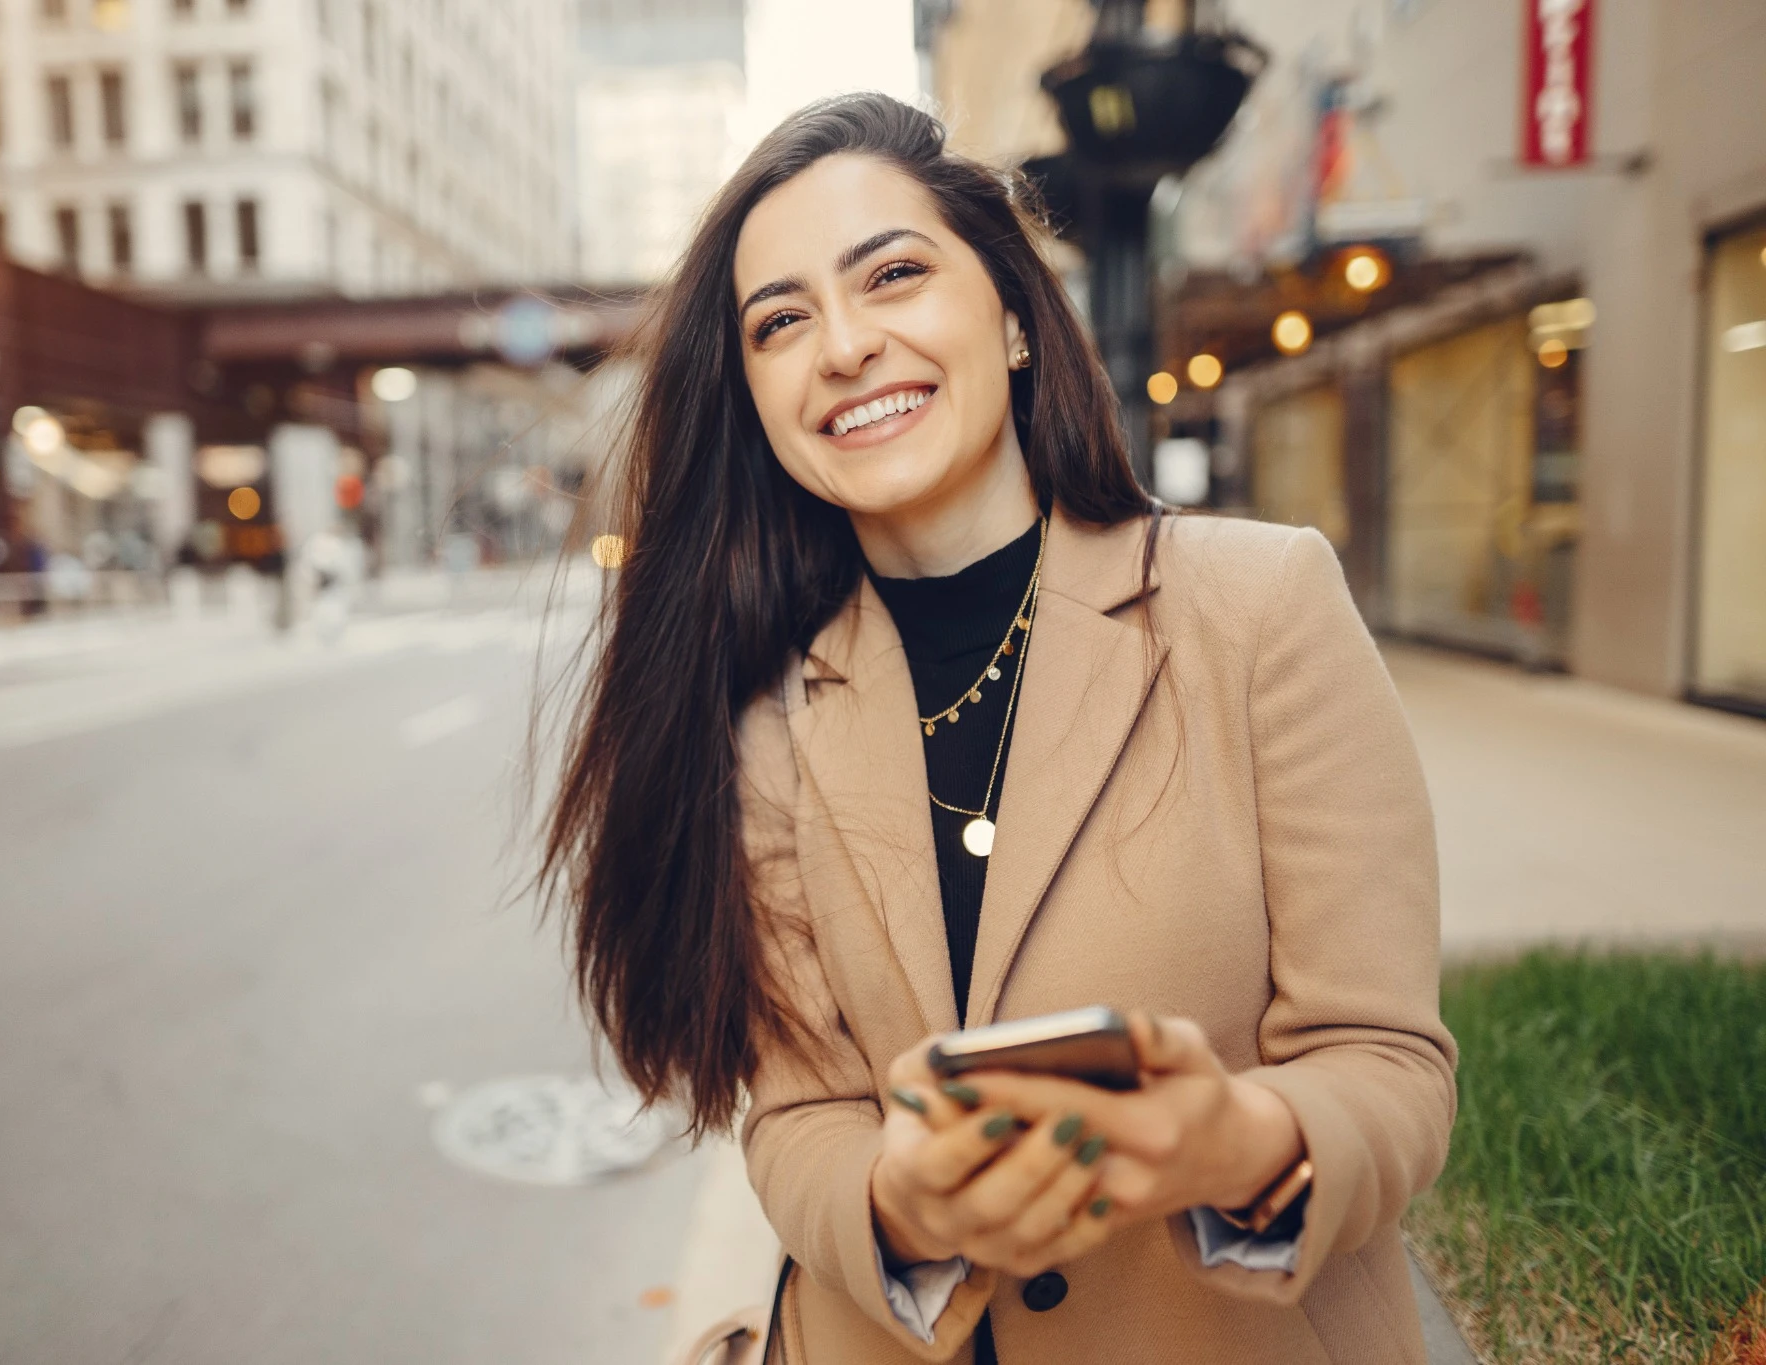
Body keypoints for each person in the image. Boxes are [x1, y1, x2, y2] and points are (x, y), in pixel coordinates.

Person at [543, 94, 1455, 1365]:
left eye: (895, 276)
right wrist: (895, 1202)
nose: (844, 347)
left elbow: (1386, 1064)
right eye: (781, 322)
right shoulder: (769, 721)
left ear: (1013, 318)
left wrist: (1234, 1142)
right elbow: (797, 1116)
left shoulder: (1258, 609)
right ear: (753, 396)